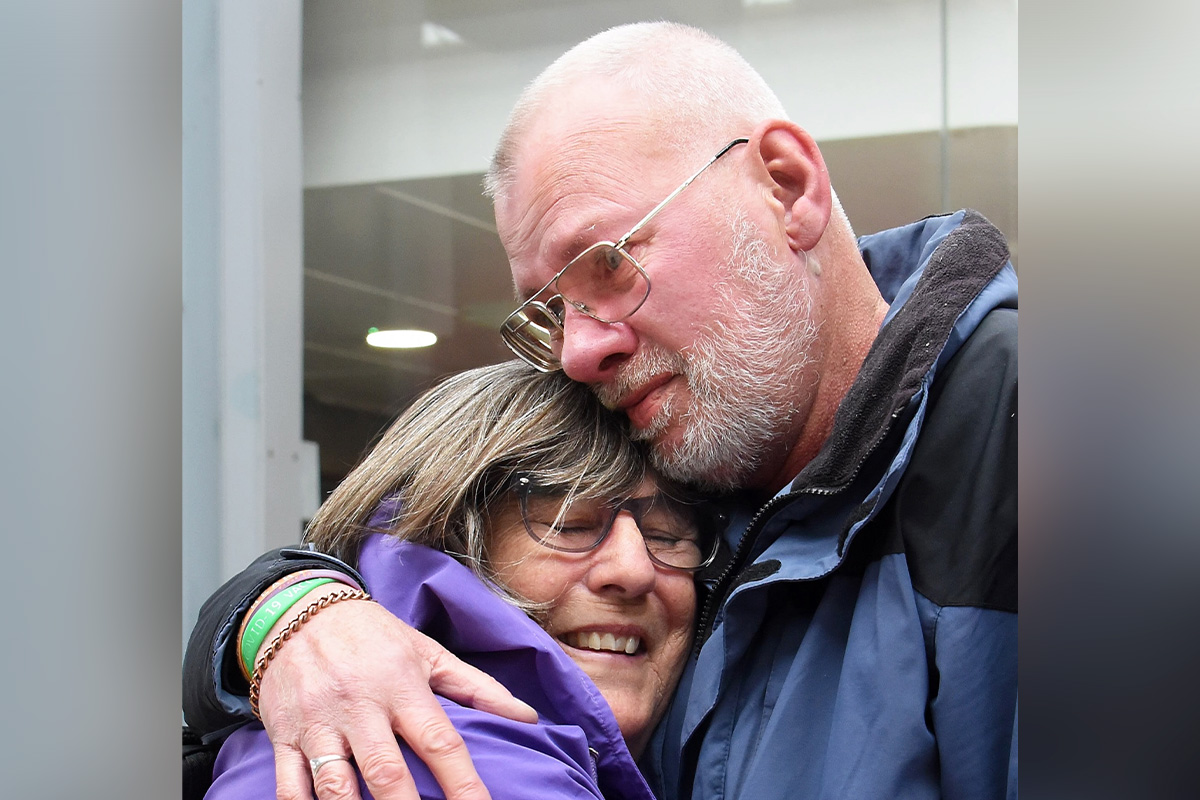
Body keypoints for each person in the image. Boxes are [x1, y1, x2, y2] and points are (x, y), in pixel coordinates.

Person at [184, 21, 1017, 800]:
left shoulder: (1030, 448)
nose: (580, 352)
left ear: (788, 189)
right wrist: (283, 615)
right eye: (549, 310)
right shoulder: (712, 443)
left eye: (608, 264)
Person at [198, 360, 720, 799]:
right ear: (444, 541)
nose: (633, 570)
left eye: (669, 536)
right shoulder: (437, 771)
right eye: (568, 524)